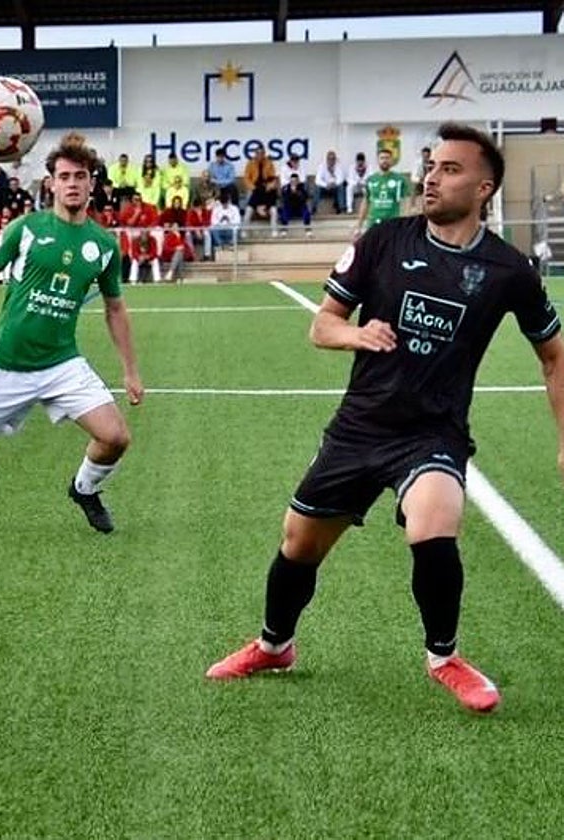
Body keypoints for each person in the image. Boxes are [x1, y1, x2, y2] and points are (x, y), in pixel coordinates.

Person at [205, 123, 564, 714]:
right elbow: (321, 325)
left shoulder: (509, 271)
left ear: (484, 188)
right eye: (432, 164)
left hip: (432, 432)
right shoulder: (384, 241)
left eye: (450, 168)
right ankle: (274, 645)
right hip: (360, 427)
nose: (431, 176)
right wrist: (357, 333)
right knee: (298, 544)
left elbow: (553, 355)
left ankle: (444, 658)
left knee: (434, 519)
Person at [0, 132, 144, 533]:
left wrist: (130, 371)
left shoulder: (103, 244)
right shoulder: (25, 228)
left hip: (61, 362)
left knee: (115, 437)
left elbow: (115, 309)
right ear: (52, 183)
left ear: (92, 182)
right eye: (64, 176)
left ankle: (84, 488)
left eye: (81, 176)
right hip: (6, 363)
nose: (73, 183)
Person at [354, 148, 408, 237]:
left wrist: (405, 224)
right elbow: (366, 202)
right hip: (373, 223)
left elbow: (405, 203)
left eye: (387, 158)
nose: (385, 160)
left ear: (392, 160)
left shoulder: (400, 180)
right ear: (378, 160)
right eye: (382, 158)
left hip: (393, 222)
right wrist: (359, 226)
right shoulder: (371, 180)